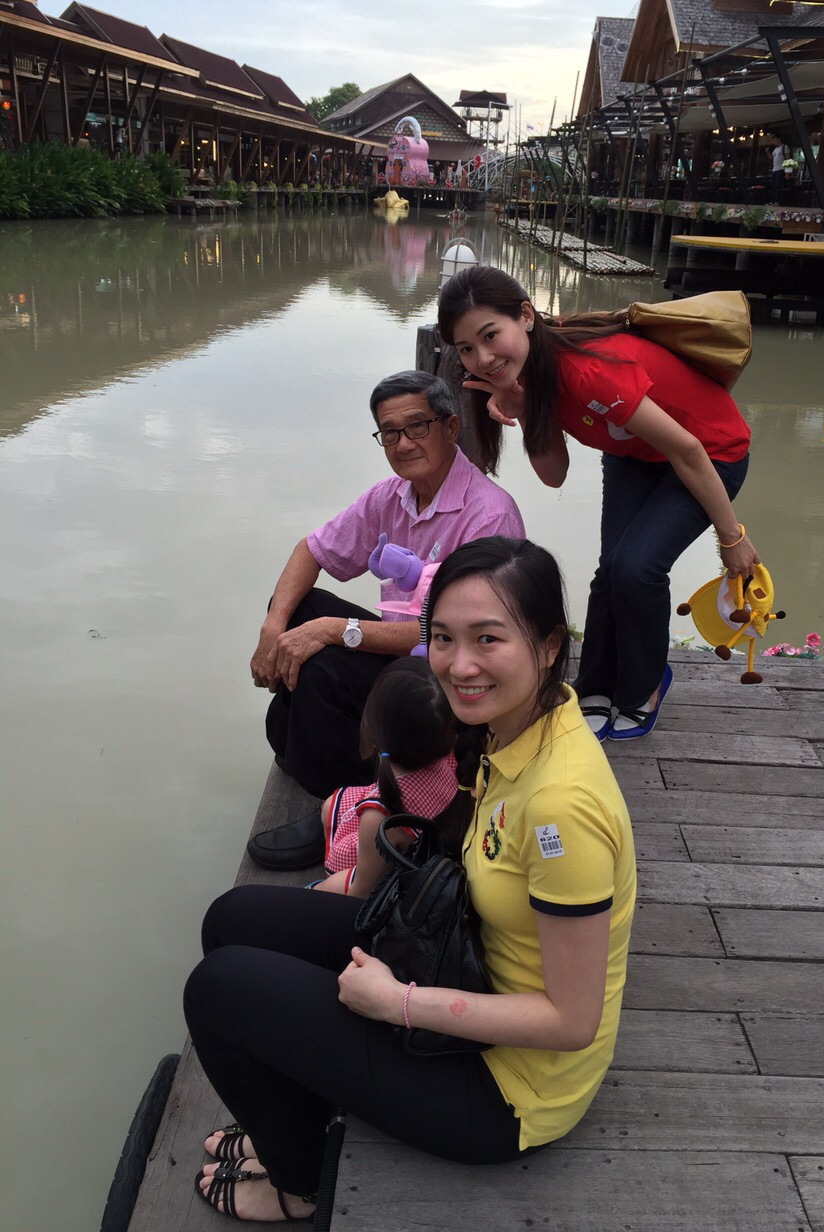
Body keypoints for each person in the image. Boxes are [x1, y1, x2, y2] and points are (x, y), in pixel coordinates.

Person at [184, 537, 636, 1222]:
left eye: (489, 639)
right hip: (468, 962)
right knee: (234, 920)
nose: (460, 665)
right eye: (444, 638)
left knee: (218, 992)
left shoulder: (560, 808)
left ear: (547, 646)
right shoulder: (518, 727)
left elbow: (572, 1022)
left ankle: (298, 1183)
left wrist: (396, 1002)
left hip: (507, 1090)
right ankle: (293, 1114)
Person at [437, 265, 757, 741]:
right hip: (635, 453)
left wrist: (731, 538)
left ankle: (645, 684)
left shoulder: (588, 371)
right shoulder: (528, 371)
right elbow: (555, 475)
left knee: (636, 568)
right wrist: (523, 411)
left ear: (525, 315)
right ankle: (597, 686)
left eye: (490, 336)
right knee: (611, 570)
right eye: (466, 348)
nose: (482, 358)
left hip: (711, 452)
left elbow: (688, 450)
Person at [247, 369, 524, 870]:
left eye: (417, 426)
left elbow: (455, 637)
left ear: (450, 427)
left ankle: (342, 803)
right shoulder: (389, 496)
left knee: (326, 659)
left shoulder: (488, 515)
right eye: (389, 432)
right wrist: (275, 628)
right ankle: (311, 753)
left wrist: (337, 631)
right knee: (295, 609)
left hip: (457, 680)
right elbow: (311, 550)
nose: (403, 443)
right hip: (411, 659)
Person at [254, 656, 461, 886]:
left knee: (319, 888)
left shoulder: (380, 818)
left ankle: (324, 873)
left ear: (374, 731)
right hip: (421, 824)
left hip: (381, 867)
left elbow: (360, 891)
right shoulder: (450, 751)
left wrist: (317, 890)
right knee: (331, 804)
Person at [766, 132, 789, 203]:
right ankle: (773, 201)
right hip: (774, 170)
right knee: (773, 186)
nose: (774, 142)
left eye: (775, 140)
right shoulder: (775, 149)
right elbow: (771, 157)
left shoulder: (784, 147)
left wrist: (787, 172)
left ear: (779, 139)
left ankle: (777, 201)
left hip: (781, 169)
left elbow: (788, 160)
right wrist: (767, 152)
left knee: (777, 186)